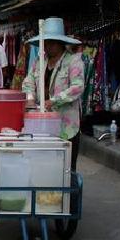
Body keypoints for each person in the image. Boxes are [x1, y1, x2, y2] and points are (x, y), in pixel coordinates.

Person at [22, 17, 85, 171]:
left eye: (51, 42)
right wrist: (30, 98)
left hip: (66, 126)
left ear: (60, 43)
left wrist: (54, 101)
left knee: (67, 170)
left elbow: (77, 87)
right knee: (43, 168)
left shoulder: (74, 61)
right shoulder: (40, 61)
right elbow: (28, 81)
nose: (48, 46)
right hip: (41, 126)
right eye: (46, 42)